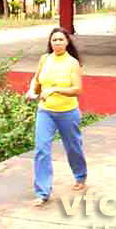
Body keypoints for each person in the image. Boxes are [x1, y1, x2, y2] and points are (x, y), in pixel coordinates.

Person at [29, 27, 87, 206]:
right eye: (54, 40)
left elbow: (77, 90)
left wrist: (55, 89)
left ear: (67, 42)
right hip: (45, 111)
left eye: (61, 40)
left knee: (73, 146)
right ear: (50, 42)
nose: (57, 43)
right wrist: (31, 91)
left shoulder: (72, 63)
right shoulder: (45, 59)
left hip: (67, 112)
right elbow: (36, 79)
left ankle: (80, 176)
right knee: (41, 149)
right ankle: (43, 192)